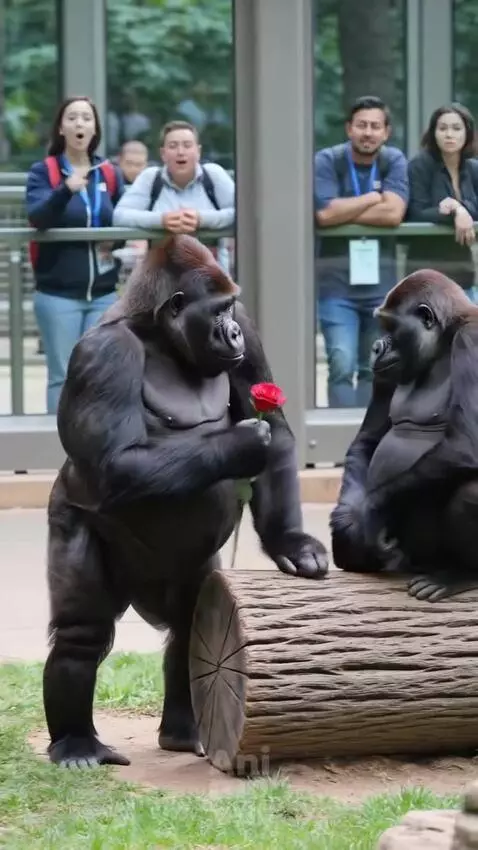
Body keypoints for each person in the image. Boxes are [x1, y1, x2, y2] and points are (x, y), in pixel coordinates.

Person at [26, 96, 124, 414]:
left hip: (103, 295)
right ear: (61, 128)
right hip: (58, 295)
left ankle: (94, 453)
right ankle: (57, 451)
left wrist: (123, 244)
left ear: (95, 128)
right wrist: (66, 189)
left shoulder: (109, 173)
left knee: (100, 376)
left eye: (86, 118)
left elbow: (124, 218)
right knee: (63, 377)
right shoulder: (45, 171)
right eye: (72, 118)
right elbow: (38, 217)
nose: (79, 123)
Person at [314, 95, 409, 409]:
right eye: (361, 125)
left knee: (374, 366)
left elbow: (393, 214)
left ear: (386, 132)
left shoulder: (393, 160)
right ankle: (339, 436)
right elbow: (325, 215)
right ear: (349, 128)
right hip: (335, 284)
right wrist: (373, 197)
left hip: (381, 286)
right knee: (340, 363)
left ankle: (366, 439)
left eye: (375, 126)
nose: (368, 132)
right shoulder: (328, 159)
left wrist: (346, 209)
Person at [112, 120, 234, 271]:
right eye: (173, 146)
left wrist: (201, 219)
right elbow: (120, 215)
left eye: (187, 145)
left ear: (198, 151)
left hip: (211, 285)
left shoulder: (214, 174)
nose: (180, 152)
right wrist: (161, 221)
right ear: (163, 154)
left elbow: (239, 213)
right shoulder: (150, 178)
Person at [406, 103, 478, 300]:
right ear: (433, 133)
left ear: (467, 133)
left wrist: (460, 208)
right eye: (442, 128)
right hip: (425, 279)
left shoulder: (473, 169)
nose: (449, 134)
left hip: (463, 275)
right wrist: (455, 212)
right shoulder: (419, 166)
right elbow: (415, 213)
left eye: (456, 128)